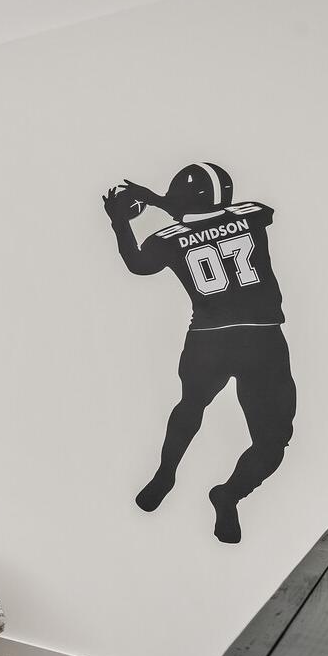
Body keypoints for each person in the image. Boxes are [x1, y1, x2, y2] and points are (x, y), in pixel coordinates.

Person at [103, 163, 294, 543]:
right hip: (263, 338)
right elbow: (217, 215)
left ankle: (166, 473)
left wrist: (121, 221)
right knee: (273, 440)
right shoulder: (253, 214)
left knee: (191, 406)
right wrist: (161, 200)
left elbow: (139, 265)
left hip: (209, 339)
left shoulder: (168, 237)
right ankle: (230, 493)